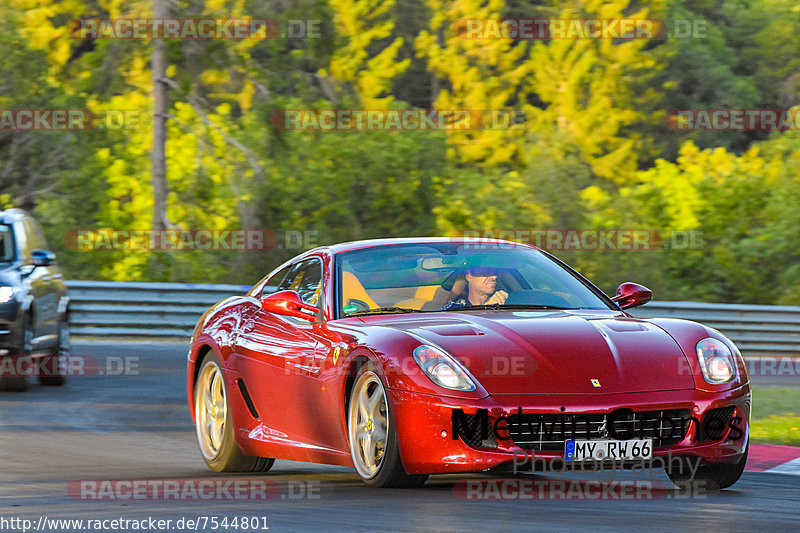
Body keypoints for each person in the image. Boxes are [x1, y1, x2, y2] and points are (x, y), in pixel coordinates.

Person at [442, 265, 508, 309]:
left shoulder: (507, 305)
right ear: (469, 276)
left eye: (496, 272)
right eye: (487, 271)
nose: (494, 276)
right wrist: (488, 309)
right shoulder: (454, 309)